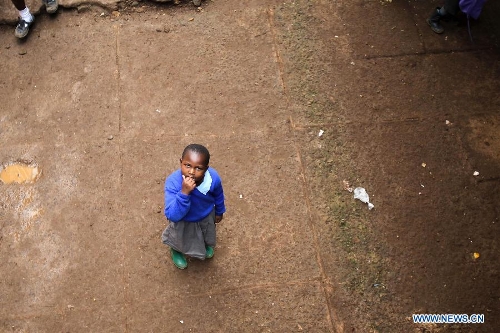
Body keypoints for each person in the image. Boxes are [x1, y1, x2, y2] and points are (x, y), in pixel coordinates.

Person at [162, 144, 226, 269]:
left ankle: (203, 245)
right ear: (181, 162)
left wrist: (219, 211)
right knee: (179, 237)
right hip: (183, 220)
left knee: (205, 232)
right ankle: (176, 250)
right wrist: (184, 193)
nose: (191, 172)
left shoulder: (213, 178)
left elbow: (219, 195)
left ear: (206, 169)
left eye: (198, 168)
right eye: (187, 165)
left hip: (205, 215)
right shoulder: (173, 182)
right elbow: (172, 215)